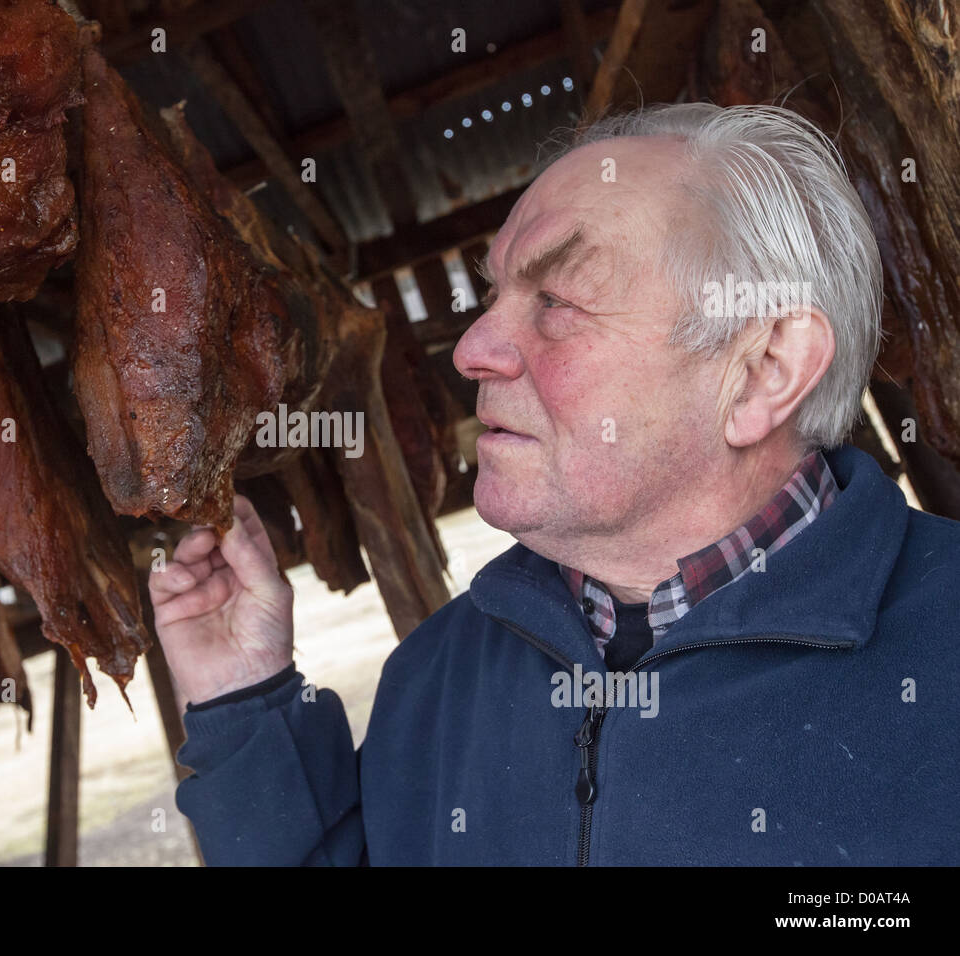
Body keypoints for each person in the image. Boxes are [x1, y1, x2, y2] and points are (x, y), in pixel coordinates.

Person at [147, 103, 960, 866]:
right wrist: (244, 699)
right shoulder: (436, 678)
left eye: (560, 301)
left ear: (762, 371)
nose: (470, 349)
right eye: (494, 293)